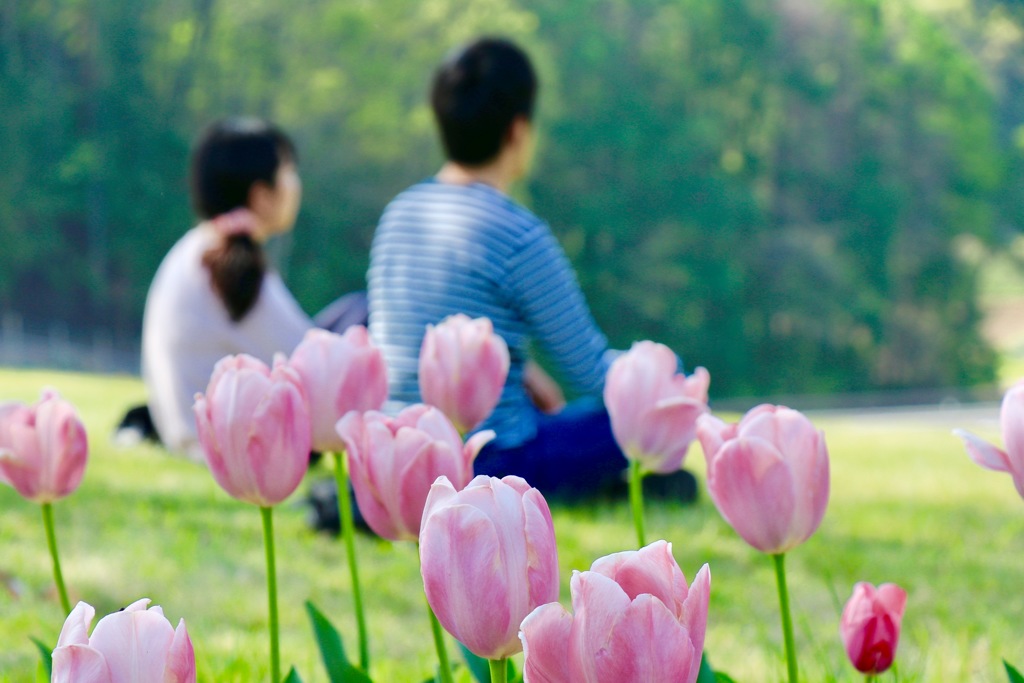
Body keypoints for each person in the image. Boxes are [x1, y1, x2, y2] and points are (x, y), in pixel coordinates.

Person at [368, 38, 695, 501]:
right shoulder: (516, 234)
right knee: (654, 395)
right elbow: (591, 373)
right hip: (496, 461)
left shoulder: (401, 213)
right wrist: (668, 375)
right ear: (518, 130)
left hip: (401, 452)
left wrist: (522, 373)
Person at [141, 118, 366, 460]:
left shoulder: (198, 248)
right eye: (289, 171)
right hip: (237, 449)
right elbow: (306, 361)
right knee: (361, 315)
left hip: (188, 433)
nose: (296, 185)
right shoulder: (232, 264)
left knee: (349, 315)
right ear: (261, 194)